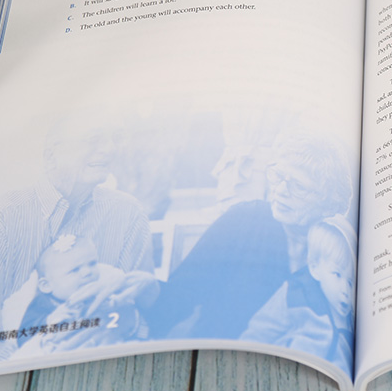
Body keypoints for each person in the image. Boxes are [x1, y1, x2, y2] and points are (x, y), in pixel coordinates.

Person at [147, 132, 353, 340]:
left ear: (327, 202)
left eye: (299, 186)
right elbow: (180, 294)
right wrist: (147, 298)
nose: (281, 190)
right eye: (278, 176)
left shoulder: (335, 248)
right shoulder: (244, 220)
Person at [0, 118, 157, 362]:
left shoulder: (128, 213)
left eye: (115, 138)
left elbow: (146, 308)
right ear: (51, 155)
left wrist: (133, 317)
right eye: (94, 139)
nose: (110, 149)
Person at [240, 215, 356, 374]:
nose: (345, 290)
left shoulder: (350, 320)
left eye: (351, 282)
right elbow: (259, 332)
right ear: (314, 269)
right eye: (337, 274)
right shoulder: (297, 293)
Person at [16, 233, 149, 352]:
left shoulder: (102, 288)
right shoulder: (42, 303)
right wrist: (49, 320)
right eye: (74, 270)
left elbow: (127, 311)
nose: (87, 272)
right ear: (46, 286)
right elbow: (23, 338)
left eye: (92, 264)